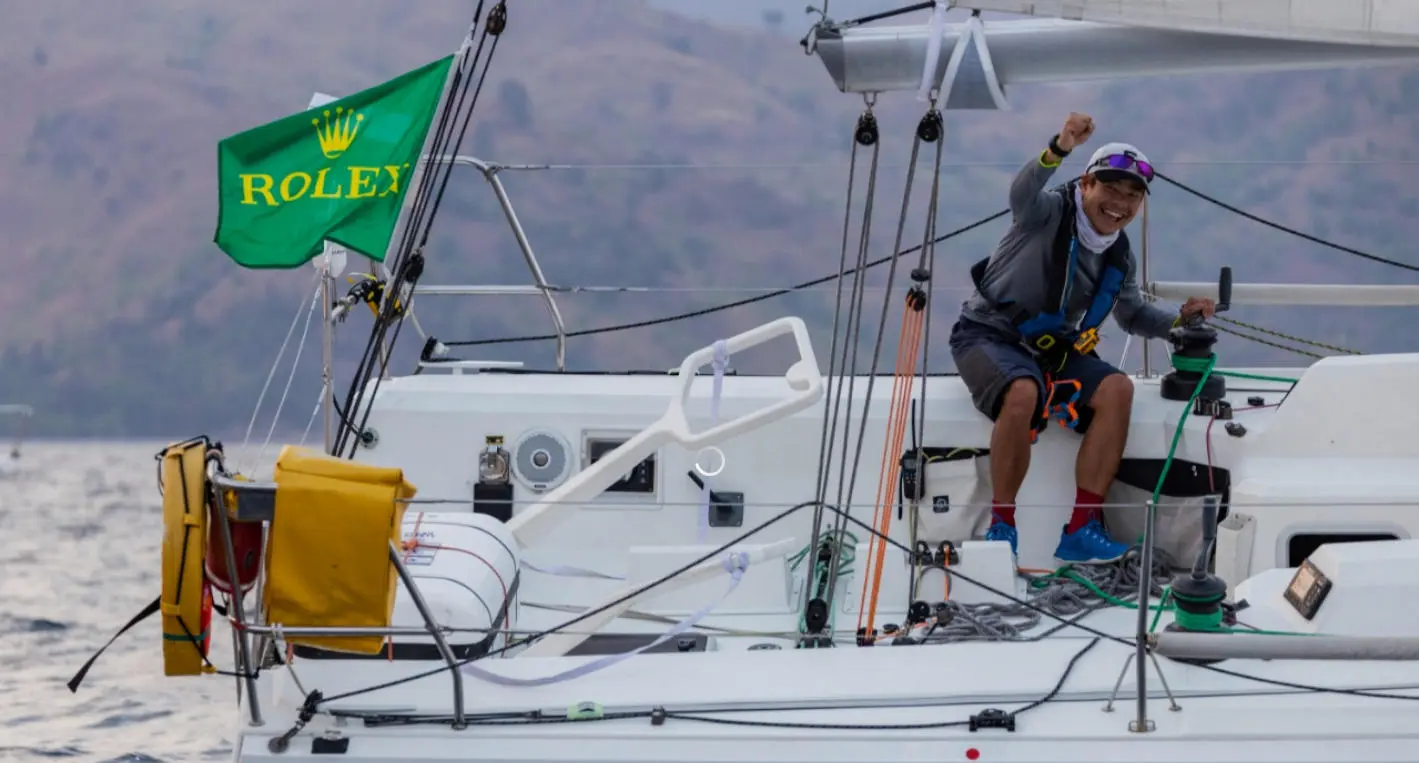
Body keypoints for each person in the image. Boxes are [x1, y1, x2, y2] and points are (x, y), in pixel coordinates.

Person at [949, 112, 1216, 564]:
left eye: (1133, 196)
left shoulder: (1118, 254)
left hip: (1052, 351)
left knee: (1117, 389)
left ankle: (1081, 528)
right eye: (1111, 189)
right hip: (986, 335)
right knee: (1022, 390)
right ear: (1087, 184)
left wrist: (1179, 322)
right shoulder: (1048, 212)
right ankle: (1002, 528)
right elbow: (1021, 193)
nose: (1121, 204)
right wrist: (1060, 146)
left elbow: (1132, 315)